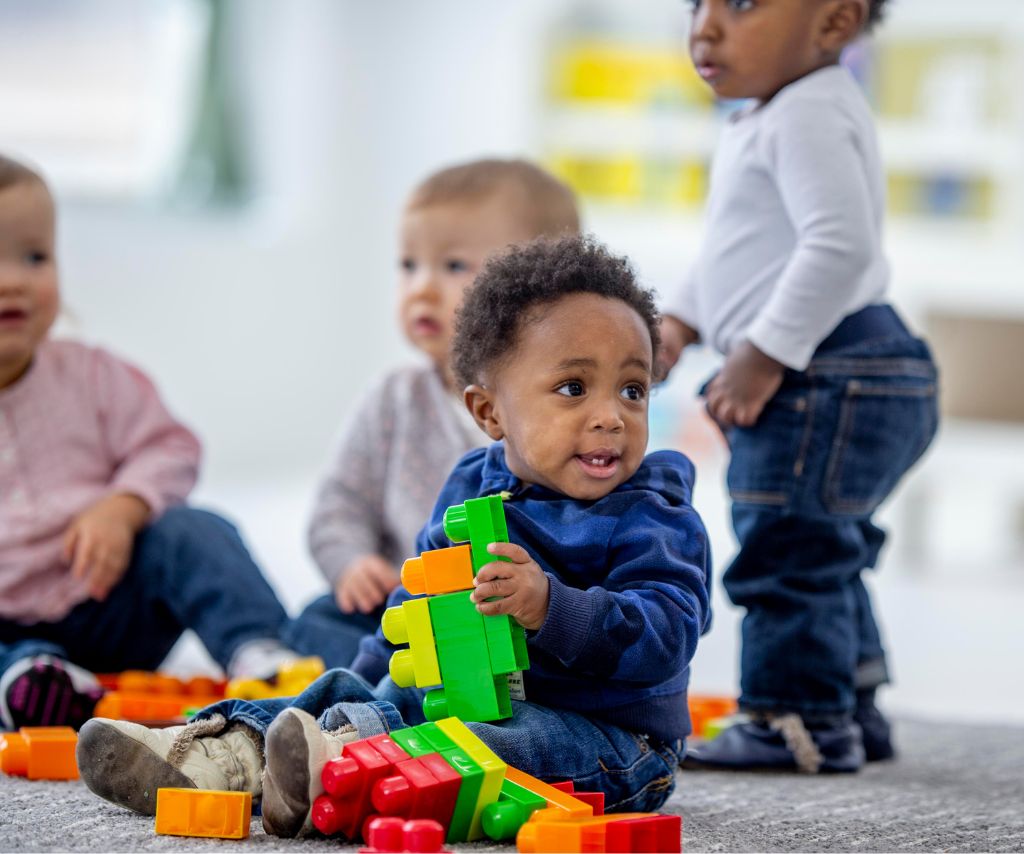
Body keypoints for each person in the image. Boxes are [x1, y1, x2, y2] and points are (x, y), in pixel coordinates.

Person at [76, 235, 712, 837]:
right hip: (466, 700)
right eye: (574, 388)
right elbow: (415, 610)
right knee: (357, 692)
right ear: (490, 412)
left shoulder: (655, 515)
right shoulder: (471, 486)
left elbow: (667, 634)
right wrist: (369, 681)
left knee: (488, 745)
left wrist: (552, 606)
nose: (610, 416)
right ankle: (227, 749)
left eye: (633, 390)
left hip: (610, 740)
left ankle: (343, 760)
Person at [659, 0, 938, 772]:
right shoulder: (773, 113)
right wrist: (681, 320)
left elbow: (840, 245)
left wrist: (762, 353)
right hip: (860, 367)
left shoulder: (805, 112)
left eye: (741, 5)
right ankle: (850, 702)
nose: (706, 28)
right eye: (697, 5)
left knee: (787, 546)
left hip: (828, 374)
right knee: (823, 543)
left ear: (833, 23)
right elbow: (735, 250)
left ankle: (797, 719)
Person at [0, 154, 303, 731]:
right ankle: (30, 683)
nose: (15, 279)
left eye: (35, 256)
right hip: (8, 629)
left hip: (109, 603)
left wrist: (124, 505)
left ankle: (260, 650)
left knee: (193, 530)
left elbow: (170, 447)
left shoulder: (92, 375)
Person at [284, 159, 581, 668]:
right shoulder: (394, 398)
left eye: (453, 266)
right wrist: (353, 562)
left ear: (541, 292)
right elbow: (340, 504)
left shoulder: (559, 406)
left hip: (513, 616)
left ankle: (405, 686)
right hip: (408, 613)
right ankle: (398, 680)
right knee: (316, 621)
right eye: (408, 265)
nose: (421, 287)